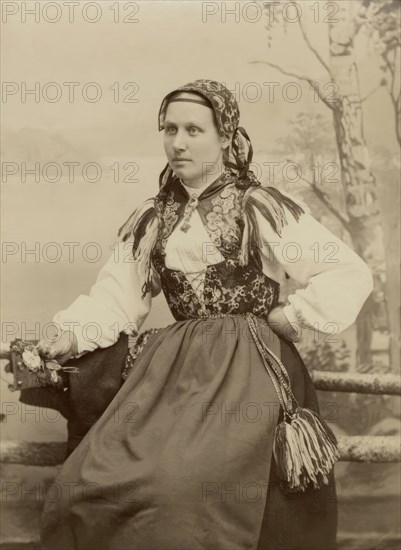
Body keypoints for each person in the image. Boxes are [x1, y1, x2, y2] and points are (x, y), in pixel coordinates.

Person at [38, 79, 373, 550]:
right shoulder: (153, 217)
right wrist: (69, 337)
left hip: (250, 373)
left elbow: (347, 271)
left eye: (194, 130)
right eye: (169, 128)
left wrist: (293, 316)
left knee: (182, 492)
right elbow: (117, 298)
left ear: (226, 136)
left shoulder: (260, 207)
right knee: (89, 486)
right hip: (175, 375)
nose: (178, 142)